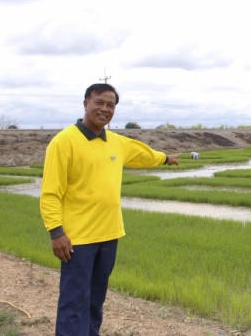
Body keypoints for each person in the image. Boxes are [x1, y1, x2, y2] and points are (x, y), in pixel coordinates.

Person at [40, 83, 180, 336]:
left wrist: (165, 158)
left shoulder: (116, 142)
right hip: (77, 240)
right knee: (74, 301)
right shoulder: (64, 142)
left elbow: (141, 154)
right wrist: (56, 232)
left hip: (109, 235)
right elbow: (50, 192)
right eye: (99, 103)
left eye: (110, 105)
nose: (105, 109)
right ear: (86, 104)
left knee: (95, 300)